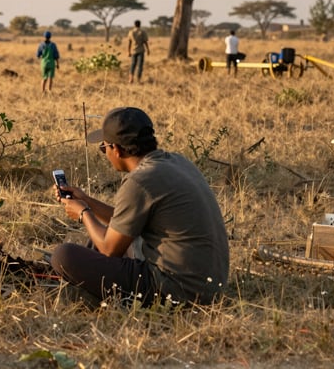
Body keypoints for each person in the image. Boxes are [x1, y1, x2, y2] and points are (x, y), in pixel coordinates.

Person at [50, 106, 229, 306]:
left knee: (64, 255)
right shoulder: (177, 162)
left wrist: (84, 213)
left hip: (175, 291)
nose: (105, 153)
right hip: (207, 285)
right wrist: (87, 201)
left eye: (103, 148)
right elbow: (125, 223)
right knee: (103, 237)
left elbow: (110, 249)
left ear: (116, 150)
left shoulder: (140, 181)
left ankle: (94, 296)